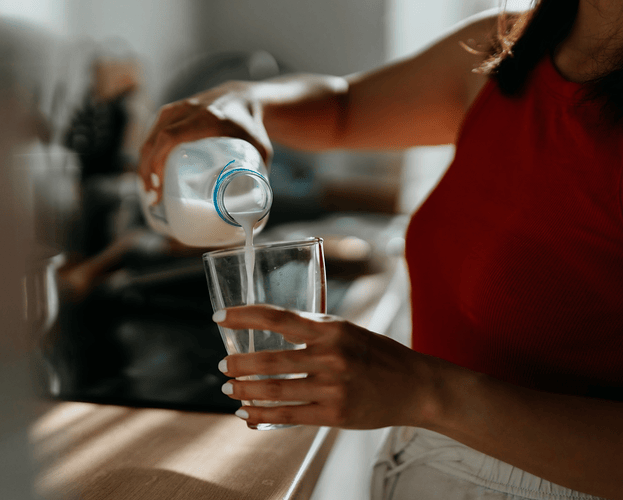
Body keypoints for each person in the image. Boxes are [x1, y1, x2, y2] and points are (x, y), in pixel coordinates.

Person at [138, 1, 623, 498]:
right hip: (425, 460)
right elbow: (344, 108)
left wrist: (427, 393)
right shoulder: (511, 43)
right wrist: (244, 101)